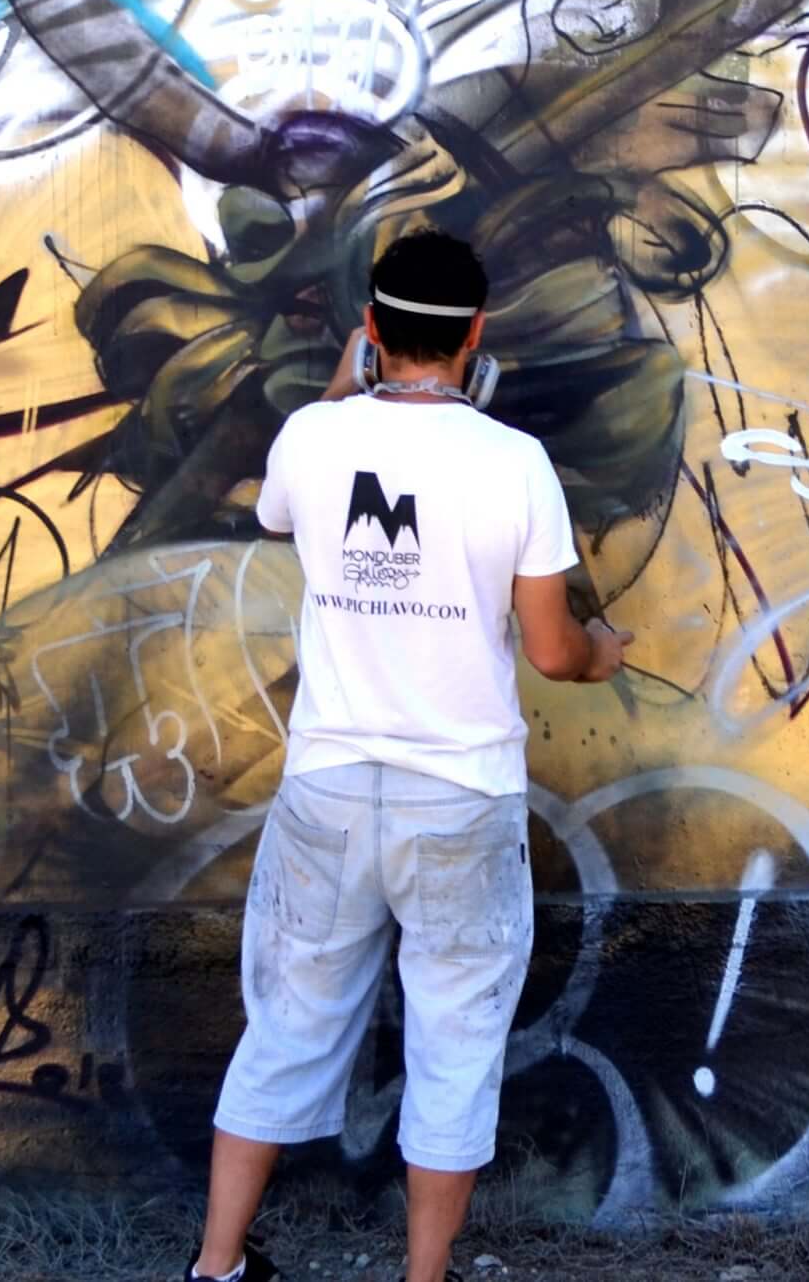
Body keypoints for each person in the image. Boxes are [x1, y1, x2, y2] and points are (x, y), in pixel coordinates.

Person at [182, 228, 632, 1282]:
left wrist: (345, 388)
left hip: (327, 789)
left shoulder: (311, 436)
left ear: (371, 330)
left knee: (285, 1030)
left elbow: (277, 512)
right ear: (477, 335)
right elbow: (553, 652)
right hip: (461, 796)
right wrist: (603, 654)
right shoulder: (514, 464)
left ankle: (215, 1267)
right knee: (455, 1046)